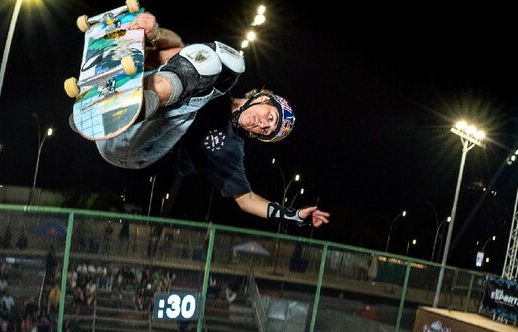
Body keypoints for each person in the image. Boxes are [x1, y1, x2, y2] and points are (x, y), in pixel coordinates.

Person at [78, 12, 330, 229]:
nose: (264, 125)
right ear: (264, 98)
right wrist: (155, 33)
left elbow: (247, 199)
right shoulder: (215, 83)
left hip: (132, 150)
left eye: (267, 130)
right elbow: (172, 53)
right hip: (119, 122)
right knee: (196, 56)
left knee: (206, 78)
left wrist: (294, 216)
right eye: (270, 117)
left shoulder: (230, 150)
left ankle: (138, 101)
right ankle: (129, 78)